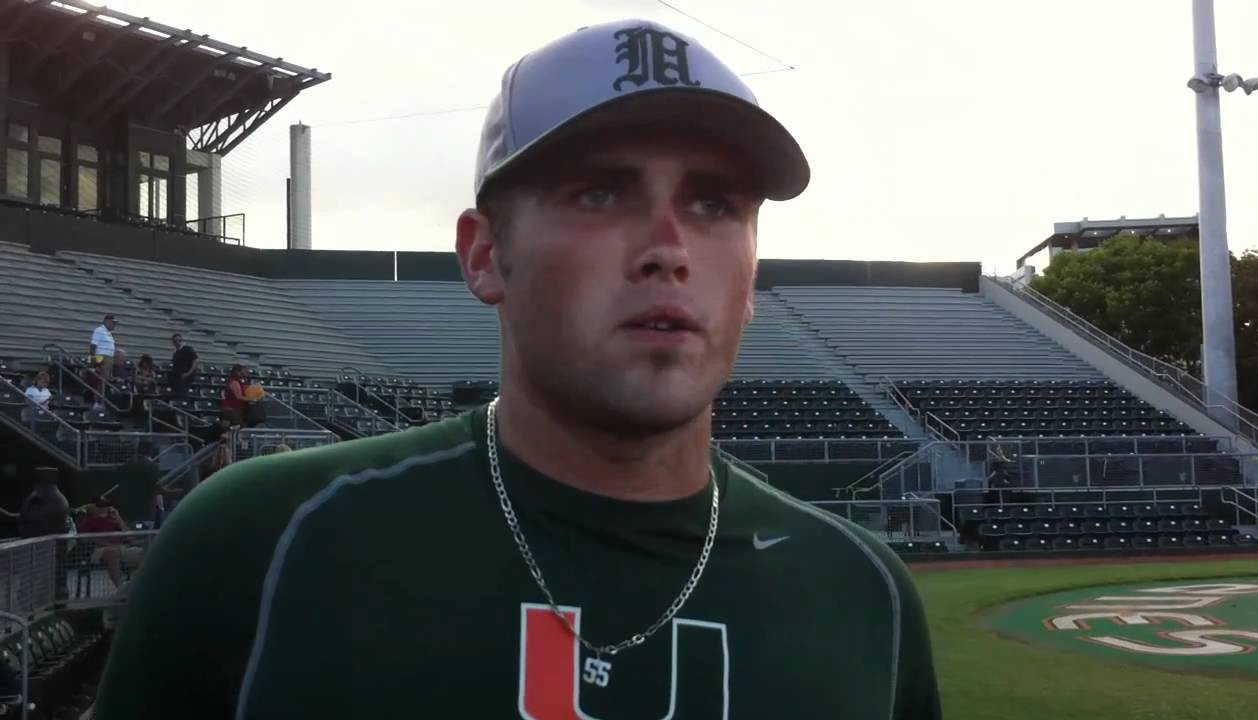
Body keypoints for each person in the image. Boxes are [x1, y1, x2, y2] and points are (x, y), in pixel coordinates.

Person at [96, 20, 940, 720]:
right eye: (600, 193)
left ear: (753, 272)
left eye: (714, 203)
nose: (668, 250)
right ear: (486, 254)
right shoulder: (261, 543)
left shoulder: (864, 596)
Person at [89, 314, 118, 405]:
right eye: (113, 323)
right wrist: (95, 364)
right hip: (101, 358)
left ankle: (101, 401)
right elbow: (93, 346)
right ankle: (97, 402)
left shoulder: (108, 333)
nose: (114, 325)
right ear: (107, 321)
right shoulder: (99, 330)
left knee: (105, 382)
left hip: (108, 359)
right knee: (100, 382)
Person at [169, 334, 199, 400]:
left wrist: (188, 373)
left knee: (182, 394)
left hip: (185, 376)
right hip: (177, 376)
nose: (177, 342)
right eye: (175, 341)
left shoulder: (187, 349)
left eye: (179, 340)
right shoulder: (175, 353)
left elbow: (196, 361)